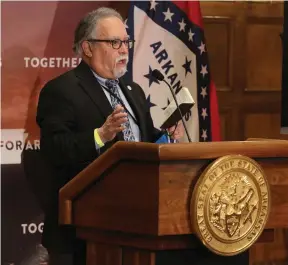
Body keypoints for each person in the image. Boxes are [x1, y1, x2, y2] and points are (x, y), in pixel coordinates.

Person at [36, 7, 184, 265]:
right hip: (86, 227)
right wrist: (100, 135)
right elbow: (55, 150)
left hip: (138, 220)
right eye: (115, 42)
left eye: (126, 41)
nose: (124, 49)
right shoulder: (61, 90)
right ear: (87, 48)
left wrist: (166, 137)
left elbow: (144, 142)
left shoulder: (133, 90)